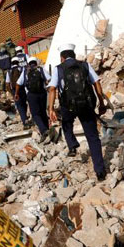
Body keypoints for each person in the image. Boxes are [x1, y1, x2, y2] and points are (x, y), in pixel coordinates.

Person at [47, 44, 109, 180]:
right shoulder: (85, 65)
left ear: (62, 58)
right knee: (92, 137)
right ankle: (100, 171)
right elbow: (96, 83)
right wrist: (102, 102)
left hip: (68, 106)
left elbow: (52, 89)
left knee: (66, 123)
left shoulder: (59, 69)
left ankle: (72, 145)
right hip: (86, 105)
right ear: (74, 56)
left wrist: (51, 108)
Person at [15, 57, 51, 140]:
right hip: (42, 93)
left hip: (31, 95)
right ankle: (47, 130)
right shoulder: (40, 69)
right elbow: (49, 79)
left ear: (28, 63)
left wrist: (16, 93)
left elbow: (18, 83)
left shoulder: (25, 71)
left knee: (35, 114)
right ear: (35, 62)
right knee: (43, 112)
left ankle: (43, 130)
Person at [6, 57, 29, 127]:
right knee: (24, 103)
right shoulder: (22, 69)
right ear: (18, 62)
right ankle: (25, 117)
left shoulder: (9, 71)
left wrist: (11, 92)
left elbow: (7, 83)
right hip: (22, 89)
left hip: (14, 90)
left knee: (19, 106)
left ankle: (25, 121)